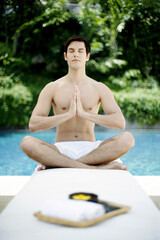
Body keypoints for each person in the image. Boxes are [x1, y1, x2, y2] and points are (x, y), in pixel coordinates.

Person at [20, 35, 135, 171]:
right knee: (27, 142)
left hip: (92, 151)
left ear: (87, 56)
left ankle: (61, 164)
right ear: (65, 56)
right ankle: (95, 168)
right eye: (72, 51)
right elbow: (33, 125)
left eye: (80, 51)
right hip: (60, 150)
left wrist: (84, 113)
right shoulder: (52, 87)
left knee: (127, 139)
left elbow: (120, 122)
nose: (76, 54)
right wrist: (67, 114)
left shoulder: (99, 87)